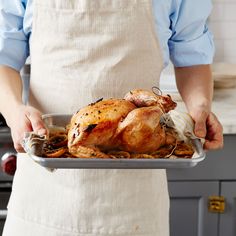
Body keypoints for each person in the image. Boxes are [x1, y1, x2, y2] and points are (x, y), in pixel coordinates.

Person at [0, 0, 223, 235]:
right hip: (45, 192)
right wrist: (14, 110)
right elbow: (4, 58)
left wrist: (200, 106)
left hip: (135, 200)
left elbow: (192, 57)